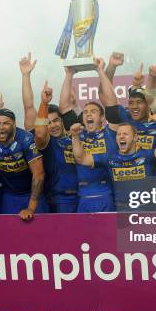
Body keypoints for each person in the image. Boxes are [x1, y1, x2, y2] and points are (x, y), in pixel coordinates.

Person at [70, 116, 156, 211]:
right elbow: (81, 159)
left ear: (135, 138)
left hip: (145, 211)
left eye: (125, 134)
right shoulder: (109, 158)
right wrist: (75, 137)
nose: (121, 137)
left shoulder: (147, 155)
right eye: (119, 134)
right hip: (121, 210)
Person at [20, 53, 78, 213]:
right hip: (57, 200)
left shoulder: (74, 139)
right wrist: (26, 75)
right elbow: (29, 106)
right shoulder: (44, 142)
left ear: (62, 121)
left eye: (56, 120)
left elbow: (66, 106)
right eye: (49, 122)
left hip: (80, 199)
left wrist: (69, 74)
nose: (52, 125)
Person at [59, 65, 116, 213]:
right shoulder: (78, 131)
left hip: (107, 195)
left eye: (93, 112)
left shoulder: (110, 132)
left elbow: (111, 103)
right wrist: (69, 74)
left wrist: (100, 71)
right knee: (83, 237)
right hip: (83, 197)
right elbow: (64, 107)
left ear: (102, 117)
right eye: (85, 112)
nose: (88, 114)